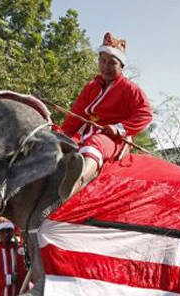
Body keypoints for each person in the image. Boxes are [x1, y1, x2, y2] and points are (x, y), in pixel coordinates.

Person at [58, 31, 153, 198]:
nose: (106, 67)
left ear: (121, 66)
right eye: (102, 61)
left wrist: (119, 129)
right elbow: (75, 115)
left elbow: (145, 113)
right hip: (88, 133)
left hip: (114, 140)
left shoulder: (130, 89)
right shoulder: (90, 87)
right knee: (59, 142)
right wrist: (61, 136)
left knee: (95, 142)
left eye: (112, 63)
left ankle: (78, 181)